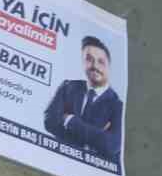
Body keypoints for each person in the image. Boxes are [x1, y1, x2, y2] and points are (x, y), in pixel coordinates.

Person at [44, 36, 123, 167]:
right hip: (59, 161)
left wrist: (70, 120)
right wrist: (96, 135)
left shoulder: (117, 105)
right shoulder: (67, 87)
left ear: (109, 66)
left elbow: (111, 145)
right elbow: (49, 121)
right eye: (89, 60)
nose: (94, 66)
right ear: (82, 62)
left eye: (101, 62)